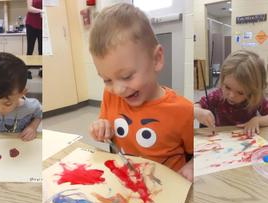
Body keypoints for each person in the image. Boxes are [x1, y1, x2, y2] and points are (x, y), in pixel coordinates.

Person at [89, 3, 193, 181]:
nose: (118, 90)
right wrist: (101, 126)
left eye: (127, 76)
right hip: (126, 184)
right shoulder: (111, 95)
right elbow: (105, 120)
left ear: (157, 59)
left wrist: (192, 165)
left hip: (168, 190)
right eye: (107, 80)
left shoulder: (183, 111)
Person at [195, 50, 268, 137]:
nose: (231, 95)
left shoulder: (255, 98)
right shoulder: (218, 95)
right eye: (227, 87)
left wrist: (257, 120)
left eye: (240, 92)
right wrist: (198, 111)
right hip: (220, 140)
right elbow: (194, 106)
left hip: (245, 140)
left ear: (253, 91)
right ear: (222, 80)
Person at [25, 0, 42, 78]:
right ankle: (27, 70)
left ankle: (42, 69)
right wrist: (42, 11)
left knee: (42, 49)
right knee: (30, 48)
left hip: (42, 24)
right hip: (31, 24)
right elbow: (29, 8)